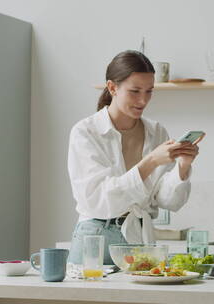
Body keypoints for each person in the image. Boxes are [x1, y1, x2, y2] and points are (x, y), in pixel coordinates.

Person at [67, 50, 203, 264]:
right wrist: (151, 162)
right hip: (95, 239)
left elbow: (167, 201)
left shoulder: (156, 132)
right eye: (135, 91)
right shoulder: (86, 132)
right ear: (112, 87)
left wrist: (183, 166)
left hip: (139, 239)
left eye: (149, 91)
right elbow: (97, 200)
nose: (143, 100)